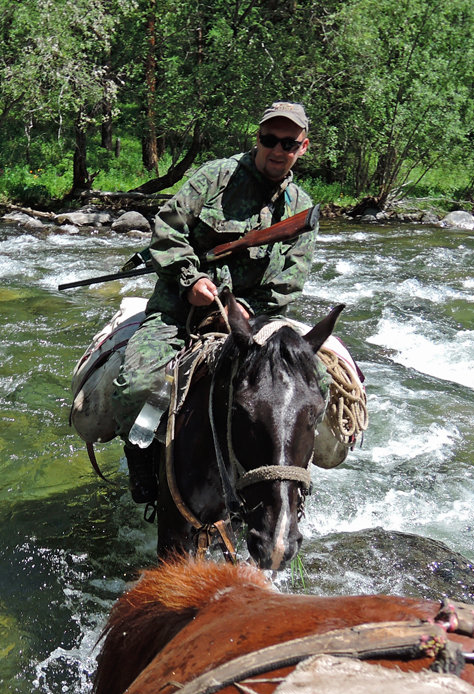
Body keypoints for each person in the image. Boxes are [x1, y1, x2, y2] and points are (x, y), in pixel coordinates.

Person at [111, 101, 319, 503]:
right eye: (269, 140)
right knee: (137, 386)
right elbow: (167, 232)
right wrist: (191, 280)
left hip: (254, 322)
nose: (277, 150)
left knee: (314, 389)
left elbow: (289, 282)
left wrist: (250, 311)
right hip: (179, 308)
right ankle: (143, 463)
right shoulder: (214, 178)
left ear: (302, 147)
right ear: (257, 139)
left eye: (288, 143)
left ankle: (286, 486)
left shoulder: (301, 209)